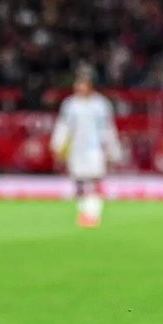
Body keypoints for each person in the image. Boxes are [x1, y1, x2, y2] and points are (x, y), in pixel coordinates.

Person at [49, 70, 120, 227]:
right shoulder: (70, 105)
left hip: (95, 148)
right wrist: (57, 145)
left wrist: (112, 150)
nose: (79, 87)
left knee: (95, 180)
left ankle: (94, 213)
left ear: (90, 86)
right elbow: (64, 126)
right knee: (79, 181)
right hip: (77, 149)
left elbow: (108, 128)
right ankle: (83, 212)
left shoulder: (101, 105)